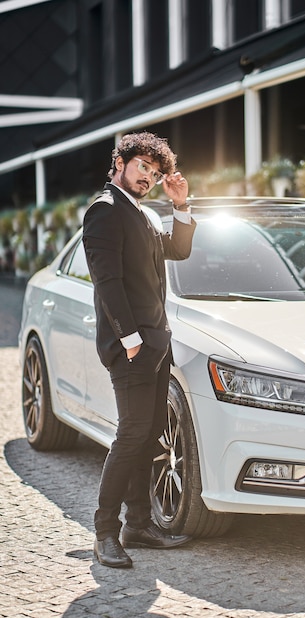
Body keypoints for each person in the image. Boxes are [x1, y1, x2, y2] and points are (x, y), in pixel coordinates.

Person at [83, 131, 196, 568]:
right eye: (141, 167)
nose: (148, 176)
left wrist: (181, 206)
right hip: (131, 346)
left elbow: (178, 251)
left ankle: (139, 524)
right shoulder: (105, 211)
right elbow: (107, 282)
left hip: (157, 343)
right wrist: (130, 340)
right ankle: (105, 532)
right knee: (131, 435)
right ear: (120, 163)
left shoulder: (143, 214)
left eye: (154, 171)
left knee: (149, 436)